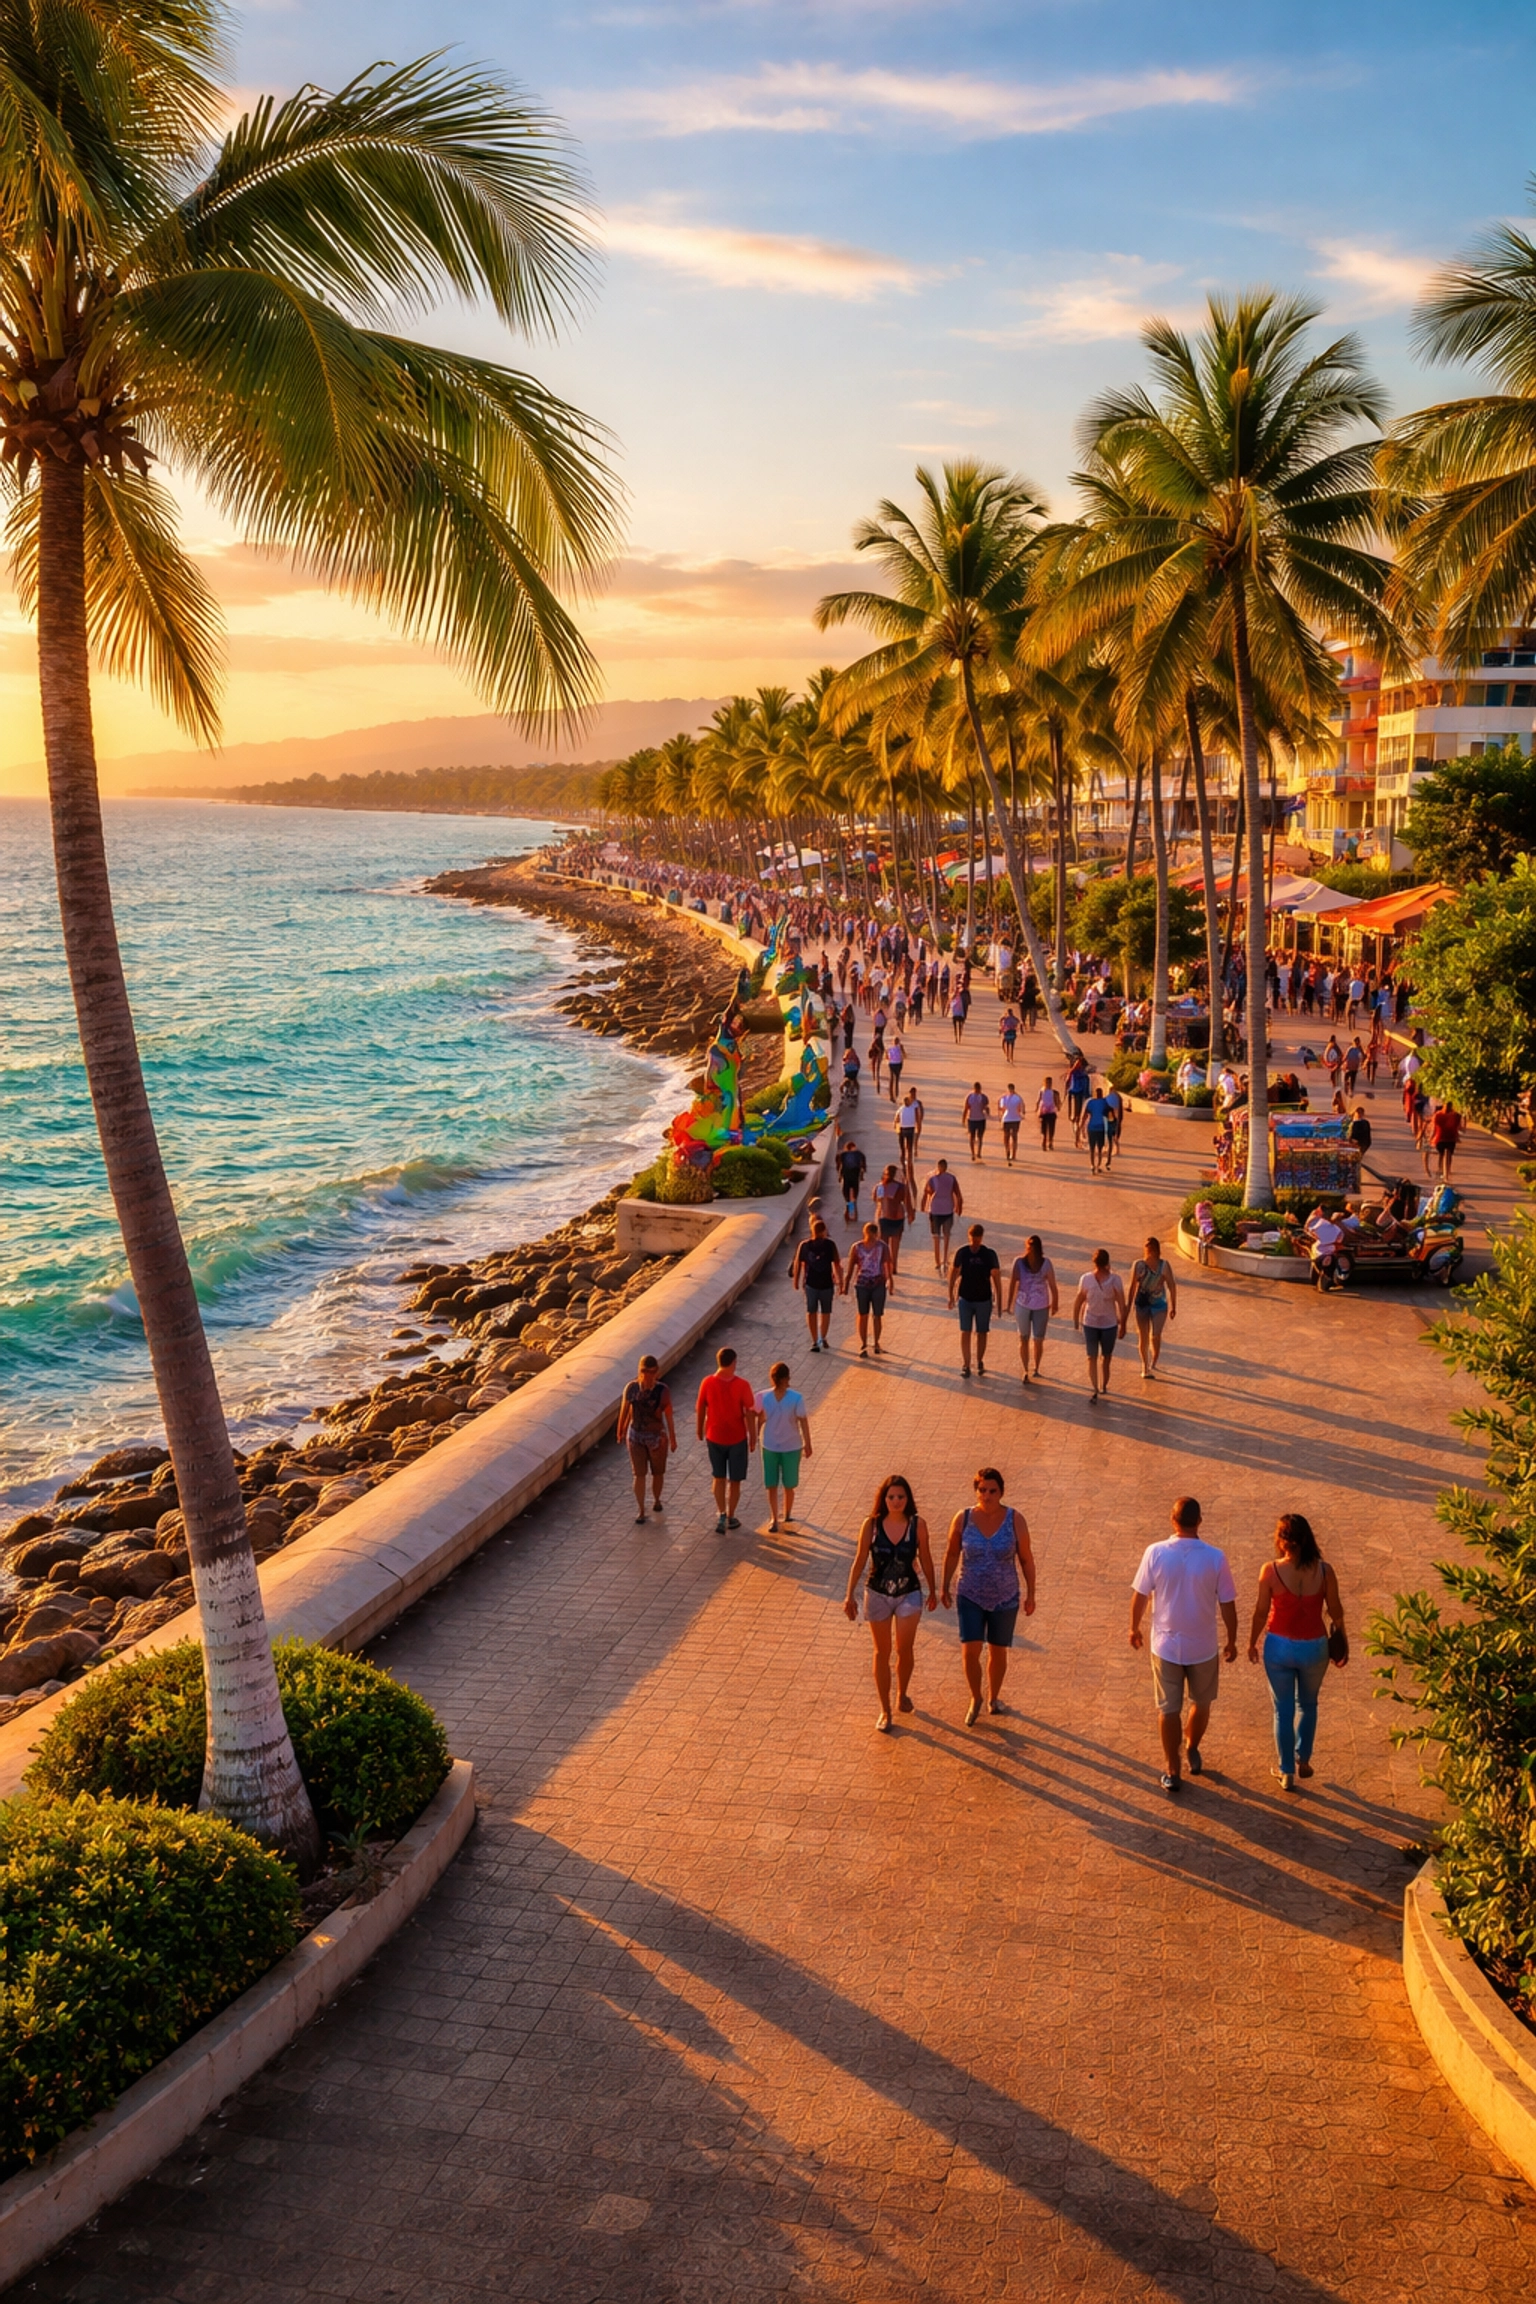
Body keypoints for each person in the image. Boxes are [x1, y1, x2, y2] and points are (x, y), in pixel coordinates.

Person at [1130, 1495, 1238, 1796]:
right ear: (1199, 1521)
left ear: (1172, 1520)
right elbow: (1227, 1601)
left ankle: (1172, 1768)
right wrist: (1232, 1638)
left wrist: (1133, 1627)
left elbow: (1140, 1595)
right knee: (1201, 1703)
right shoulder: (1215, 1557)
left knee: (1168, 1709)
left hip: (1164, 1645)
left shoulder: (1155, 1552)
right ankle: (1191, 1746)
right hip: (1203, 1646)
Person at [1246, 1511, 1347, 1791]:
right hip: (1315, 1646)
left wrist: (1251, 1642)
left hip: (1279, 1646)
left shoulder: (1270, 1571)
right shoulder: (1325, 1571)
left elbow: (1260, 1612)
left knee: (1283, 1710)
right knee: (1309, 1704)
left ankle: (1286, 1770)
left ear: (1281, 1540)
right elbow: (1335, 1610)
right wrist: (1343, 1638)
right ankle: (1303, 1758)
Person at [940, 1467, 1036, 1726]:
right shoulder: (963, 1518)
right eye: (982, 1490)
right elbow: (951, 1553)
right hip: (970, 1593)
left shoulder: (1015, 1520)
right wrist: (944, 1585)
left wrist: (1031, 1594)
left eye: (992, 1491)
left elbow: (1026, 1559)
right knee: (970, 1649)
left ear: (1001, 1492)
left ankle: (994, 1697)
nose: (987, 1495)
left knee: (998, 1650)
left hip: (1005, 1596)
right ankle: (975, 1697)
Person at [844, 1473, 938, 1731]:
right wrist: (849, 1593)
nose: (896, 1501)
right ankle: (884, 1709)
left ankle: (902, 1693)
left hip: (909, 1591)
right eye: (891, 1497)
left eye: (900, 1497)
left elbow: (927, 1558)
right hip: (876, 1594)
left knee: (904, 1648)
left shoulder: (918, 1525)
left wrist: (933, 1590)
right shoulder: (871, 1526)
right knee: (881, 1652)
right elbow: (860, 1559)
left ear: (908, 1499)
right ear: (883, 1499)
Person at [695, 1346, 758, 1534]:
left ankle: (721, 1512)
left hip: (714, 1436)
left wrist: (699, 1430)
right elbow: (750, 1412)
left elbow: (701, 1408)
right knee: (735, 1480)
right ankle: (731, 1515)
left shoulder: (707, 1382)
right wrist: (753, 1436)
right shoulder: (742, 1385)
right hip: (737, 1437)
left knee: (718, 1476)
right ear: (733, 1363)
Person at [615, 1353, 676, 1524]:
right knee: (639, 1474)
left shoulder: (662, 1390)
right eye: (644, 1371)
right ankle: (641, 1510)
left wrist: (672, 1437)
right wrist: (620, 1430)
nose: (648, 1375)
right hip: (636, 1436)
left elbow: (669, 1414)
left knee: (658, 1472)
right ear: (639, 1371)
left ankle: (656, 1500)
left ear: (657, 1372)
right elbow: (624, 1410)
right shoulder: (632, 1388)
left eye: (651, 1371)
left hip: (657, 1437)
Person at [757, 1361, 812, 1532]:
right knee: (772, 1483)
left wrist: (807, 1443)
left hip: (786, 1446)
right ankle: (776, 1517)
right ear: (783, 1379)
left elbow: (802, 1420)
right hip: (775, 1446)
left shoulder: (793, 1398)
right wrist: (807, 1443)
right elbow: (760, 1418)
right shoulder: (769, 1397)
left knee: (787, 1484)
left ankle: (786, 1513)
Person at [948, 1222, 1002, 1378]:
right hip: (965, 1297)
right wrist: (950, 1294)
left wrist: (999, 1300)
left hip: (984, 1299)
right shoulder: (962, 1253)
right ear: (969, 1237)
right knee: (965, 1331)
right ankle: (966, 1364)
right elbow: (954, 1273)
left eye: (977, 1239)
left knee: (982, 1332)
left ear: (981, 1238)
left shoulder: (989, 1254)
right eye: (973, 1239)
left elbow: (996, 1277)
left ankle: (979, 1361)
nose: (975, 1243)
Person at [1072, 1248, 1127, 1401]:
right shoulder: (1087, 1279)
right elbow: (1122, 1304)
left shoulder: (1114, 1280)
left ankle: (1101, 1386)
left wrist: (1076, 1320)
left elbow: (1078, 1301)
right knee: (1096, 1356)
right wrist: (1124, 1324)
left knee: (1103, 1356)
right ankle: (1097, 1388)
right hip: (1091, 1323)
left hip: (1108, 1324)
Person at [1006, 1234, 1058, 1383]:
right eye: (1028, 1248)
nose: (1030, 1251)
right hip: (1022, 1304)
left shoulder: (1046, 1264)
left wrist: (1055, 1302)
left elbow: (1053, 1285)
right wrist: (1009, 1303)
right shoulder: (1019, 1263)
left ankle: (1036, 1367)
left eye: (1033, 1248)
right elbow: (1013, 1283)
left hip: (1041, 1305)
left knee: (1038, 1339)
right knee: (1023, 1338)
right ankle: (1025, 1369)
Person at [791, 1216, 844, 1353]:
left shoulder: (805, 1245)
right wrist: (840, 1282)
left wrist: (796, 1280)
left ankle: (815, 1340)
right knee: (826, 1312)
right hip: (827, 1284)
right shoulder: (830, 1245)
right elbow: (837, 1265)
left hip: (811, 1284)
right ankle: (823, 1337)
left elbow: (798, 1263)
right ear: (824, 1231)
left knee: (811, 1312)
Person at [1128, 1235, 1177, 1380]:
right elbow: (1132, 1287)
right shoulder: (1139, 1265)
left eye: (1151, 1248)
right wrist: (1127, 1306)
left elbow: (1172, 1285)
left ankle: (1154, 1356)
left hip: (1159, 1305)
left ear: (1156, 1250)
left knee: (1155, 1334)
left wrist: (1174, 1306)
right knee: (1143, 1337)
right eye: (1147, 1247)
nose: (1149, 1251)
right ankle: (1145, 1367)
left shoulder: (1164, 1266)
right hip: (1141, 1304)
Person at [844, 1222, 895, 1356]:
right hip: (862, 1284)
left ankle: (875, 1342)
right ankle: (864, 1343)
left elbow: (886, 1264)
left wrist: (890, 1280)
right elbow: (851, 1267)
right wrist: (846, 1282)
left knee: (876, 1315)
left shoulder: (882, 1247)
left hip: (878, 1283)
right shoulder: (857, 1247)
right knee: (864, 1314)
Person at [920, 1158, 963, 1271]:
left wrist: (923, 1206)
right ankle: (944, 1259)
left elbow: (926, 1192)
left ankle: (937, 1261)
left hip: (935, 1209)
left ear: (938, 1167)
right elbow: (958, 1194)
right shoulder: (952, 1178)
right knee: (947, 1235)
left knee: (936, 1236)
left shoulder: (932, 1179)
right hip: (948, 1209)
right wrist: (959, 1207)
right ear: (946, 1167)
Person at [872, 1163, 913, 1278]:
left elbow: (875, 1199)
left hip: (883, 1217)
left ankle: (883, 1267)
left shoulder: (879, 1186)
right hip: (897, 1217)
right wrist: (910, 1215)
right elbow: (907, 1202)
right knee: (895, 1245)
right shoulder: (901, 1187)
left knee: (883, 1244)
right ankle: (893, 1266)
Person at [836, 1133, 867, 1223]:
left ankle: (848, 1210)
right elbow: (862, 1165)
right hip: (855, 1177)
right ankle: (854, 1212)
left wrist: (839, 1176)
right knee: (854, 1197)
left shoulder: (843, 1154)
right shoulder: (859, 1154)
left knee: (847, 1197)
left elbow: (840, 1166)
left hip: (846, 1177)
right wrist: (862, 1175)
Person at [1083, 1081, 1111, 1173]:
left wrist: (1081, 1127)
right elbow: (1110, 1114)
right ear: (1101, 1094)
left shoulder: (1090, 1103)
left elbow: (1085, 1115)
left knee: (1092, 1148)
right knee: (1099, 1149)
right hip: (1101, 1128)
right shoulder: (1104, 1102)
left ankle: (1092, 1165)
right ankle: (1098, 1165)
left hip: (1092, 1127)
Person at [1430, 1100, 1463, 1178]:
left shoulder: (1437, 1115)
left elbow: (1434, 1129)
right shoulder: (1456, 1115)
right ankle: (1447, 1171)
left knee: (1441, 1155)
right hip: (1451, 1139)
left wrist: (1431, 1139)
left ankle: (1440, 1169)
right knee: (1449, 1155)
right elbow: (1459, 1128)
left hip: (1440, 1139)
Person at [895, 1088, 924, 1179]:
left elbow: (896, 1119)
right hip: (908, 1129)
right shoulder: (910, 1107)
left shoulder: (914, 1105)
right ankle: (907, 1162)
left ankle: (907, 1162)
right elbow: (897, 1119)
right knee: (906, 1148)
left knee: (905, 1147)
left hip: (905, 1129)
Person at [1065, 1052, 1091, 1146]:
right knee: (1079, 1117)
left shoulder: (1076, 1074)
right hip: (1079, 1094)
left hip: (1079, 1094)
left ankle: (1079, 1136)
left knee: (1079, 1117)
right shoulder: (1078, 1074)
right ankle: (1078, 1137)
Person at [962, 1081, 990, 1161]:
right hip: (980, 1119)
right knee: (980, 1137)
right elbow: (986, 1108)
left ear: (973, 1088)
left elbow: (966, 1108)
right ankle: (978, 1153)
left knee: (972, 1137)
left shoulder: (970, 1097)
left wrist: (963, 1120)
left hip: (972, 1119)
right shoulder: (983, 1097)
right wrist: (987, 1112)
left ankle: (973, 1153)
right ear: (980, 1088)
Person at [998, 1081, 1024, 1165]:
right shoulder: (1018, 1098)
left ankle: (1007, 1151)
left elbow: (1002, 1108)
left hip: (1006, 1119)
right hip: (1016, 1119)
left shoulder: (1004, 1098)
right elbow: (1020, 1109)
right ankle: (1014, 1155)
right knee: (1014, 1137)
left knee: (1006, 1137)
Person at [1037, 1076, 1060, 1150]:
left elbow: (1056, 1101)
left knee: (1051, 1128)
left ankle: (1050, 1142)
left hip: (1051, 1112)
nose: (1049, 1084)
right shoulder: (1041, 1091)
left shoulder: (1054, 1092)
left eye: (1050, 1083)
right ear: (1044, 1083)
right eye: (1047, 1082)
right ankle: (1044, 1141)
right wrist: (1037, 1109)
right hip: (1043, 1112)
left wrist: (1058, 1106)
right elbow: (1038, 1100)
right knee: (1044, 1129)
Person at [886, 1033, 906, 1102]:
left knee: (891, 1079)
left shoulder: (889, 1048)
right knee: (896, 1080)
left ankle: (891, 1095)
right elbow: (904, 1055)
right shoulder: (900, 1047)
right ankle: (896, 1095)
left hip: (892, 1064)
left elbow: (887, 1057)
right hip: (898, 1064)